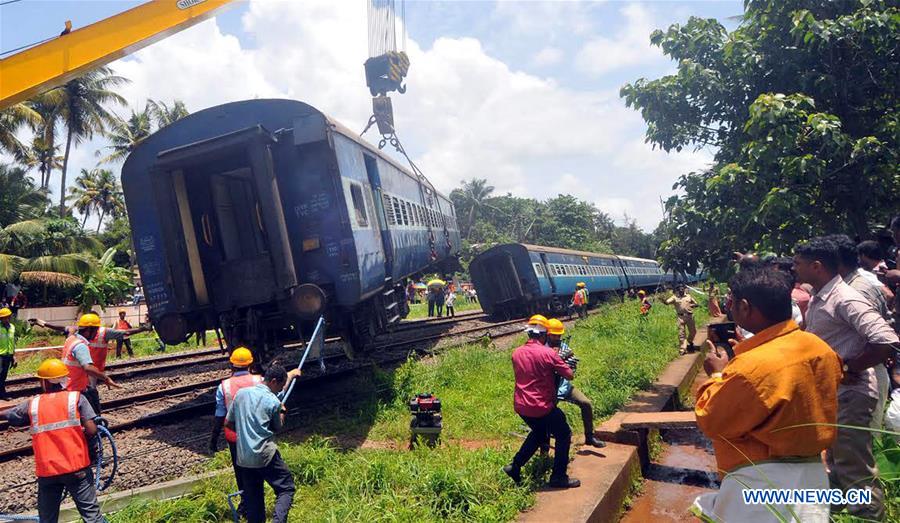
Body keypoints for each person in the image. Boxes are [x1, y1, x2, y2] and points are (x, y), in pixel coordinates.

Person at [692, 268, 841, 522]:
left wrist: (717, 375)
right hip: (812, 475)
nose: (729, 307)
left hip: (761, 483)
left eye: (731, 302)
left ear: (745, 307)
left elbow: (712, 420)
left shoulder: (750, 367)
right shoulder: (819, 348)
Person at [793, 236, 900, 520]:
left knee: (855, 470)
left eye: (798, 263)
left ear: (816, 266)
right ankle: (839, 513)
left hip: (851, 394)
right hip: (836, 394)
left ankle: (868, 517)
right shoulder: (822, 296)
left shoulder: (844, 298)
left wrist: (850, 367)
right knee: (838, 465)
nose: (794, 268)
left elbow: (886, 339)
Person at [4, 358, 105, 522]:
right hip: (76, 467)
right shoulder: (76, 398)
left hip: (48, 472)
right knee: (92, 517)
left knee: (48, 519)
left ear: (44, 382)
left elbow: (11, 416)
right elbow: (92, 430)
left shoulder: (33, 404)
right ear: (65, 379)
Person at [503, 315, 580, 489]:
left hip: (521, 405)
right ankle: (558, 477)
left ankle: (514, 466)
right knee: (563, 434)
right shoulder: (548, 354)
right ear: (544, 335)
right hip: (541, 406)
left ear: (529, 334)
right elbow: (569, 375)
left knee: (539, 432)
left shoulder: (516, 353)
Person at [225, 365, 301, 523]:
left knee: (253, 499)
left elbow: (229, 423)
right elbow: (277, 427)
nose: (279, 391)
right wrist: (282, 412)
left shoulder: (241, 394)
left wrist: (246, 434)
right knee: (286, 488)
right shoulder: (273, 401)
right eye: (280, 386)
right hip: (265, 455)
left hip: (244, 458)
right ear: (273, 381)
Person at [209, 347, 262, 519]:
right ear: (250, 364)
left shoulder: (224, 386)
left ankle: (245, 503)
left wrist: (213, 439)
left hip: (234, 437)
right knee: (257, 469)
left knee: (240, 471)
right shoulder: (259, 381)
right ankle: (256, 503)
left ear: (231, 365)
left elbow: (220, 415)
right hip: (255, 435)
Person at [31, 313, 150, 389]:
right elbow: (62, 328)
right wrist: (43, 323)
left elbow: (126, 332)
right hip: (87, 371)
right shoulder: (81, 340)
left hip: (85, 372)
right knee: (88, 396)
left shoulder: (75, 335)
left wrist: (143, 329)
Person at [546, 318, 604, 448]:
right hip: (549, 390)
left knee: (586, 403)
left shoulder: (563, 346)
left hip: (564, 386)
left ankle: (589, 436)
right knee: (547, 416)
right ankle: (544, 448)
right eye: (554, 335)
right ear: (548, 334)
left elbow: (571, 367)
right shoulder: (542, 349)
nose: (557, 338)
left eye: (559, 335)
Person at [55, 313, 122, 415]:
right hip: (77, 389)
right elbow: (88, 368)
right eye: (95, 330)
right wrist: (106, 378)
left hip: (66, 385)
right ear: (89, 330)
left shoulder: (70, 339)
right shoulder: (80, 346)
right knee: (93, 414)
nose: (96, 334)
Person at [664, 285, 698, 354]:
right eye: (679, 289)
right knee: (681, 333)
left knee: (693, 331)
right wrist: (663, 300)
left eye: (682, 289)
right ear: (677, 290)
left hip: (689, 316)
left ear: (684, 289)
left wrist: (692, 305)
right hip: (680, 317)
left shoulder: (688, 296)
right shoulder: (674, 297)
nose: (681, 290)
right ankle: (683, 348)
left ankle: (690, 340)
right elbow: (667, 302)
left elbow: (696, 304)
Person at [0, 307, 16, 400]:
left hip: (8, 355)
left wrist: (14, 356)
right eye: (3, 318)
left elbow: (12, 342)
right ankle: (3, 394)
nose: (5, 319)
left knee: (3, 376)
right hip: (0, 355)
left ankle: (2, 394)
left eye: (7, 317)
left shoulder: (12, 327)